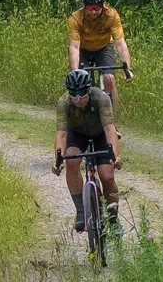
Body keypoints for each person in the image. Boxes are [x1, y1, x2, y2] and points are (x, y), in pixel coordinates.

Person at [52, 68, 123, 235]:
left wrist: (115, 156)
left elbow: (110, 129)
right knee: (71, 160)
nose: (78, 98)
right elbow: (61, 134)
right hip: (77, 135)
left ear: (89, 90)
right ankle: (81, 212)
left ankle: (113, 219)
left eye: (82, 94)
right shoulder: (64, 102)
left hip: (100, 134)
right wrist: (58, 159)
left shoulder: (101, 98)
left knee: (107, 175)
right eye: (74, 94)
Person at [67, 0, 134, 115]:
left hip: (104, 47)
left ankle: (112, 121)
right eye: (90, 8)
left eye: (97, 8)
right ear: (84, 6)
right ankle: (78, 118)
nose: (93, 12)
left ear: (103, 5)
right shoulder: (75, 18)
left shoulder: (112, 15)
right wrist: (75, 72)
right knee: (79, 82)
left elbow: (120, 43)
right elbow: (74, 47)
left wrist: (128, 68)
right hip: (83, 49)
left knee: (109, 79)